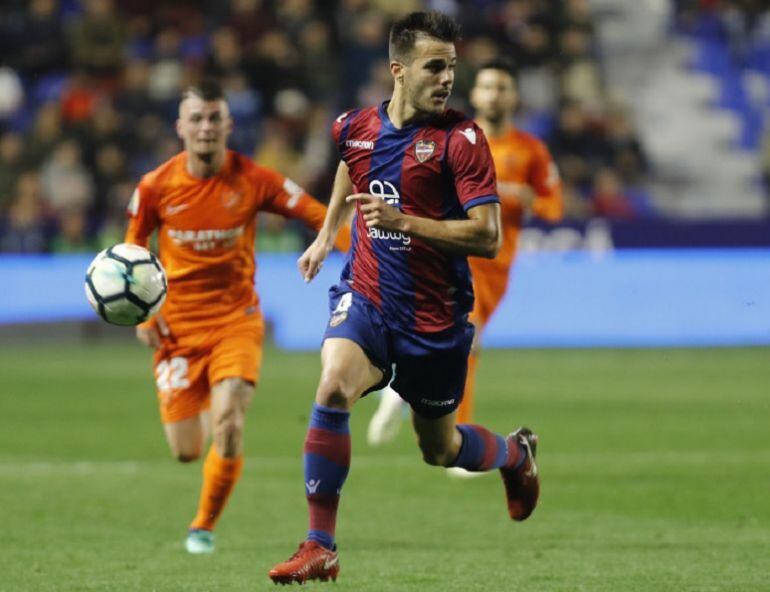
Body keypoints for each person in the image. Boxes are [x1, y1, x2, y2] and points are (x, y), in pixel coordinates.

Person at [268, 12, 540, 585]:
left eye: (452, 68)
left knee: (439, 450)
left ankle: (514, 455)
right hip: (367, 294)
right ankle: (320, 544)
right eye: (434, 66)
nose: (447, 78)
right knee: (333, 384)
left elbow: (488, 237)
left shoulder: (461, 141)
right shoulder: (353, 125)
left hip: (434, 320)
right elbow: (351, 163)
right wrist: (325, 235)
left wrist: (403, 221)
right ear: (398, 69)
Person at [125, 81, 347, 555]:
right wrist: (145, 316)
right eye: (197, 118)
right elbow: (132, 251)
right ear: (180, 127)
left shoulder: (254, 179)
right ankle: (211, 411)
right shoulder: (154, 187)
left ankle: (202, 525)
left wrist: (355, 245)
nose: (206, 127)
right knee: (186, 451)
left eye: (214, 118)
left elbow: (316, 213)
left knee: (228, 425)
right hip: (177, 327)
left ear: (228, 125)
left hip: (235, 321)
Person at [366, 60, 564, 471]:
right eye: (487, 87)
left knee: (461, 344)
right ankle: (455, 434)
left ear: (513, 97)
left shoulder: (530, 150)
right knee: (465, 343)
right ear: (474, 95)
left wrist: (524, 197)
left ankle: (402, 392)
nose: (494, 95)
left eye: (502, 87)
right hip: (450, 253)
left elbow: (554, 207)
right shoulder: (455, 139)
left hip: (496, 264)